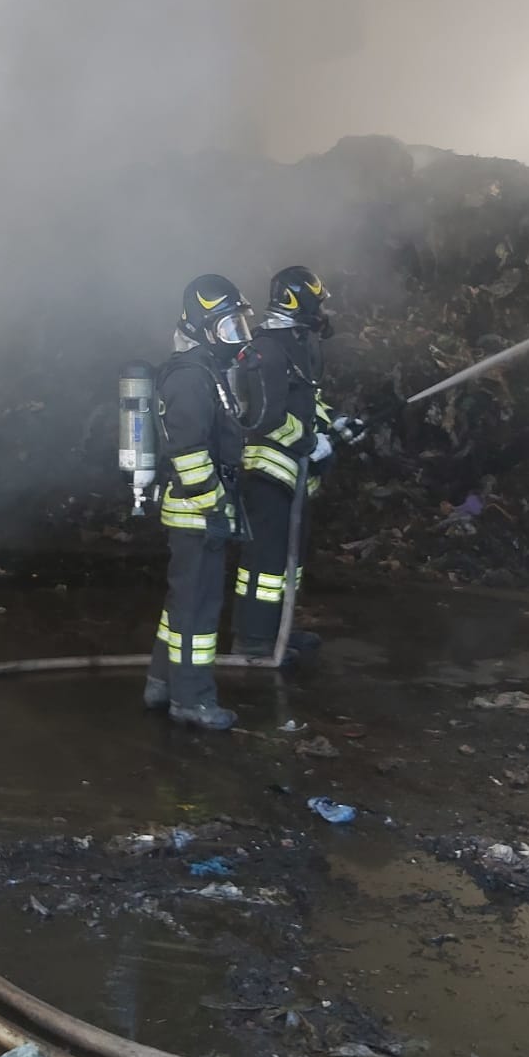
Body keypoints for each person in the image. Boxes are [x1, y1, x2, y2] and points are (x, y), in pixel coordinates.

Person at [233, 265, 362, 663]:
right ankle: (255, 641)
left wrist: (333, 426)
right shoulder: (265, 350)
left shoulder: (299, 342)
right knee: (265, 564)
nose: (322, 310)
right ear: (298, 301)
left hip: (295, 474)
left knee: (289, 562)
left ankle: (280, 629)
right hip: (267, 474)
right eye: (317, 302)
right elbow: (263, 418)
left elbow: (308, 402)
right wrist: (310, 442)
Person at [144, 274, 254, 731]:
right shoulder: (191, 378)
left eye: (239, 328)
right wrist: (214, 508)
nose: (237, 340)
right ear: (202, 328)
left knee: (182, 602)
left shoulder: (204, 371)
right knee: (197, 610)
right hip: (198, 513)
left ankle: (161, 681)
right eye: (228, 329)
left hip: (199, 510)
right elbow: (188, 455)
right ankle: (192, 699)